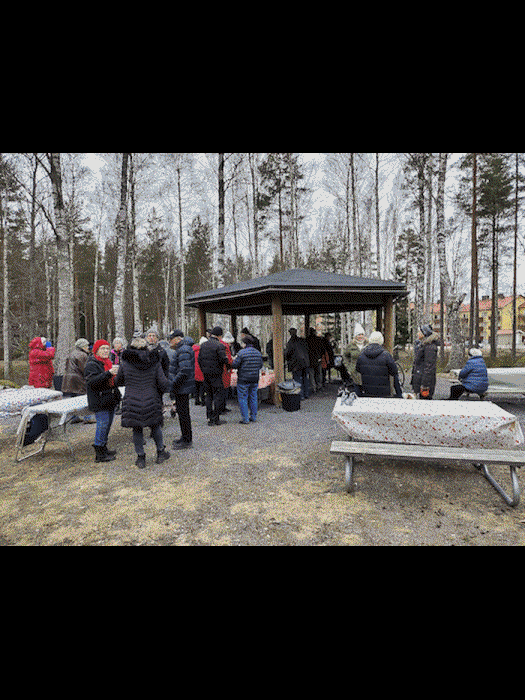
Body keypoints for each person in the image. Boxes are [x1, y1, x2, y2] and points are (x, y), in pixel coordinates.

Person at [115, 336, 172, 468]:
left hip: (132, 399)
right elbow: (163, 382)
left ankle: (141, 458)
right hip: (151, 398)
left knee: (137, 428)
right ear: (146, 347)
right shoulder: (154, 361)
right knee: (155, 426)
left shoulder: (125, 362)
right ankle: (160, 452)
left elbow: (118, 381)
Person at [84, 339, 120, 462]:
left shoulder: (108, 362)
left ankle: (104, 448)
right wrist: (109, 373)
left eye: (107, 348)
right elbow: (92, 382)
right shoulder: (91, 364)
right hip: (99, 400)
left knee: (107, 426)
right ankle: (99, 454)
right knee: (102, 425)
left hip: (109, 399)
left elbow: (112, 383)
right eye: (102, 348)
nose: (105, 351)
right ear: (96, 350)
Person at [197, 326, 231, 425]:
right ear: (219, 336)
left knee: (209, 395)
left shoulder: (203, 345)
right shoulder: (219, 345)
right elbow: (224, 359)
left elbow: (199, 359)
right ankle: (216, 418)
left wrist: (203, 370)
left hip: (206, 374)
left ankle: (209, 417)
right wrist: (228, 367)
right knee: (217, 396)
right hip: (216, 374)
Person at [168, 330, 195, 449]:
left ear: (177, 339)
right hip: (181, 387)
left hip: (182, 387)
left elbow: (184, 370)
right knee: (182, 413)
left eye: (171, 338)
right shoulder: (182, 349)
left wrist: (174, 383)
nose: (169, 341)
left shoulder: (183, 349)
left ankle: (187, 440)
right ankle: (185, 437)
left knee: (184, 414)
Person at [356, 331, 402, 398]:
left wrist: (358, 392)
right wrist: (399, 394)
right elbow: (394, 372)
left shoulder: (362, 355)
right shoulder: (386, 355)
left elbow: (357, 372)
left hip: (366, 393)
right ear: (381, 341)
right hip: (384, 394)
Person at [61, 338, 95, 424]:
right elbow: (85, 369)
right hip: (78, 379)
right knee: (84, 398)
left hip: (68, 379)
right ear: (82, 346)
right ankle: (87, 417)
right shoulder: (83, 355)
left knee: (73, 399)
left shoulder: (72, 353)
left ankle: (75, 417)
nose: (88, 347)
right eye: (86, 346)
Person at [232, 335, 263, 423]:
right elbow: (260, 365)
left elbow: (235, 365)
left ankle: (245, 419)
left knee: (243, 398)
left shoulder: (241, 353)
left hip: (243, 379)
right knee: (253, 397)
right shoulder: (258, 353)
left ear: (244, 343)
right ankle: (253, 417)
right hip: (254, 378)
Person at [411, 323, 439, 400]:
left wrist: (425, 385)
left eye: (419, 332)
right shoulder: (424, 345)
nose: (417, 333)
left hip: (425, 383)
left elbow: (429, 367)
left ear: (424, 333)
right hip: (420, 379)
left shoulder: (430, 347)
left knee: (425, 401)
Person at [285, 328, 310, 399]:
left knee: (297, 379)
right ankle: (306, 394)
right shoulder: (302, 340)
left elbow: (288, 353)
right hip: (305, 362)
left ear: (290, 333)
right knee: (305, 378)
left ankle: (300, 395)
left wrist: (285, 357)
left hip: (296, 363)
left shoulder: (290, 342)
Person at [342, 324, 367, 395]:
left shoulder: (368, 345)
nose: (360, 336)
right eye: (359, 334)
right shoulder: (351, 346)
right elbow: (345, 356)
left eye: (362, 334)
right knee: (357, 393)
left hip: (366, 373)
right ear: (355, 336)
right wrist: (349, 368)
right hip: (354, 373)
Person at [193, 336, 207, 406]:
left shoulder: (193, 350)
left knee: (196, 387)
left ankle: (196, 400)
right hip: (201, 370)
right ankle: (203, 401)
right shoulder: (203, 351)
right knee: (202, 387)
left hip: (195, 370)